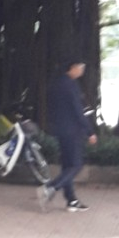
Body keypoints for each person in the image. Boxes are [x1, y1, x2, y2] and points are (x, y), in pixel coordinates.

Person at [38, 58, 97, 212]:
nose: (82, 71)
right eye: (81, 67)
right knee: (76, 165)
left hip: (60, 130)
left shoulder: (57, 83)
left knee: (67, 166)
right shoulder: (71, 85)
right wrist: (90, 131)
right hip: (73, 131)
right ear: (73, 67)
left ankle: (71, 200)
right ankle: (50, 187)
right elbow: (78, 111)